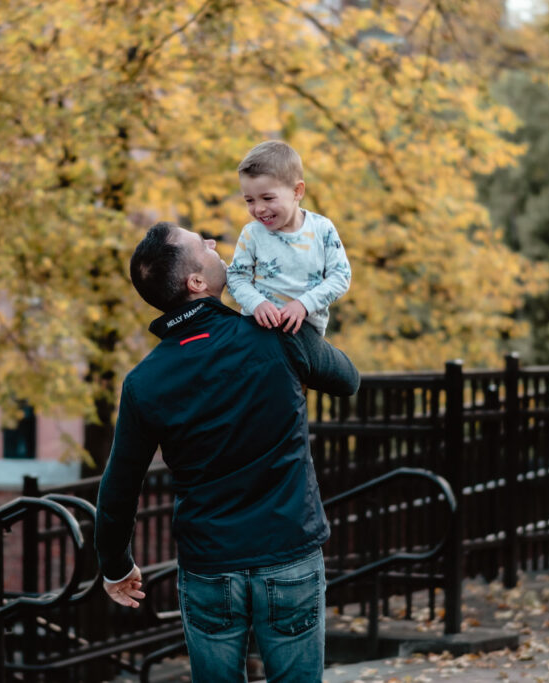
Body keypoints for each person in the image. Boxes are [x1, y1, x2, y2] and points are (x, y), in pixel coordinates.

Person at [94, 221, 360, 682]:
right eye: (202, 245)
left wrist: (116, 566)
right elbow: (347, 379)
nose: (213, 243)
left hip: (209, 566)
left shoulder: (144, 382)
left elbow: (119, 485)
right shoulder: (276, 336)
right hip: (289, 551)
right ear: (197, 283)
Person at [227, 140, 351, 336]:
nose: (259, 208)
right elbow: (236, 277)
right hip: (258, 331)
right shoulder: (252, 234)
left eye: (267, 198)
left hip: (305, 333)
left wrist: (304, 304)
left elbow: (340, 276)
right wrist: (257, 303)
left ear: (297, 191)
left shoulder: (322, 229)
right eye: (250, 200)